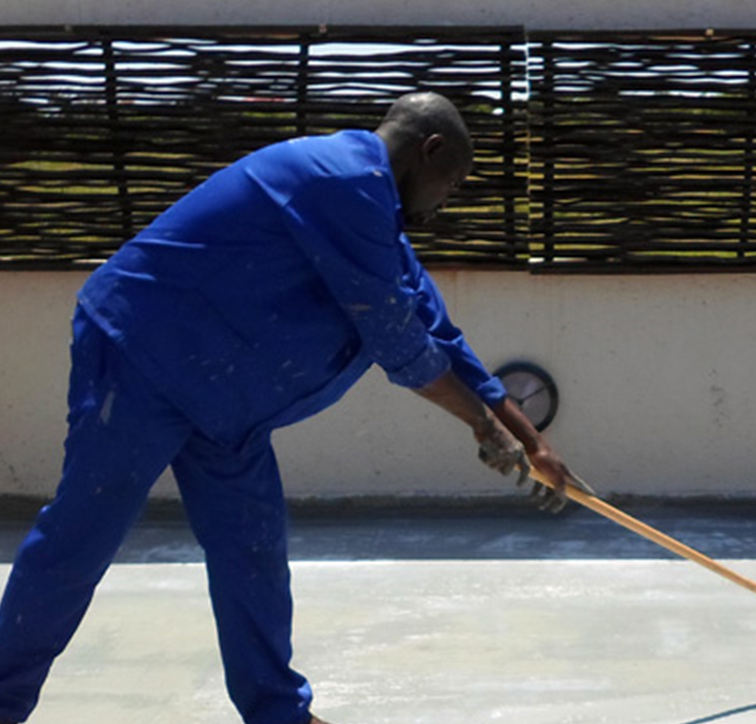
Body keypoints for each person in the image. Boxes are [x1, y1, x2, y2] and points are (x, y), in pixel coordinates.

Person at [0, 92, 587, 724]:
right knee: (82, 537)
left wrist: (534, 443)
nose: (449, 199)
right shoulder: (342, 179)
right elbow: (397, 341)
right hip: (143, 357)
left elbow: (439, 335)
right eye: (453, 182)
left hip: (225, 401)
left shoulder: (378, 225)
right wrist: (482, 424)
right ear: (430, 150)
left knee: (252, 551)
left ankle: (278, 714)